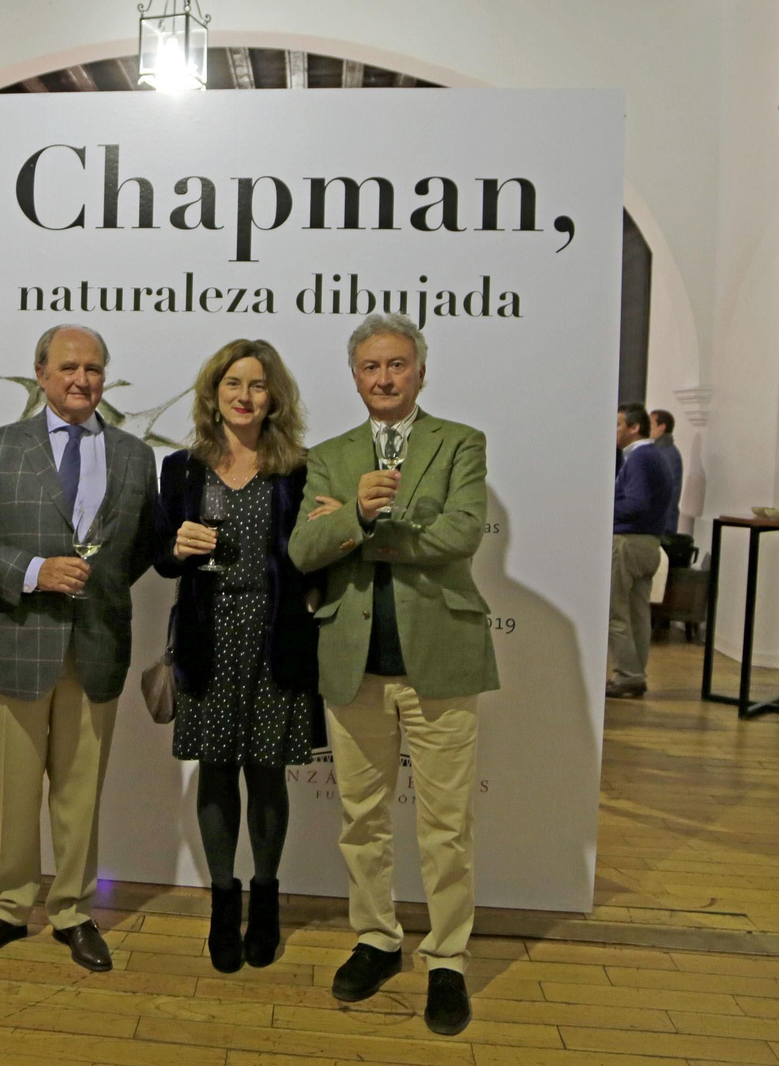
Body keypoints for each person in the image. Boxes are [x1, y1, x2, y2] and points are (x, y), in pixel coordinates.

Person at [286, 312, 499, 1037]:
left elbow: (461, 533)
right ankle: (377, 939)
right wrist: (349, 513)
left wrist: (367, 528)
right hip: (354, 663)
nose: (384, 378)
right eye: (371, 367)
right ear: (355, 376)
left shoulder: (460, 443)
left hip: (440, 658)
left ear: (420, 371)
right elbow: (305, 549)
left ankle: (447, 960)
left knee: (446, 825)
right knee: (361, 819)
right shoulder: (332, 453)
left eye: (397, 365)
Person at [0, 323, 158, 973]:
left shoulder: (132, 455)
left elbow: (142, 546)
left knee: (79, 790)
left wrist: (99, 588)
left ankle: (72, 910)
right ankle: (8, 908)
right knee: (11, 791)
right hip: (17, 642)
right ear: (40, 374)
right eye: (68, 367)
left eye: (93, 369)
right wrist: (35, 571)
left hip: (96, 645)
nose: (81, 380)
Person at [153, 339, 322, 973]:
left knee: (268, 772)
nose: (244, 396)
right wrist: (177, 545)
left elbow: (316, 554)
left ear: (273, 396)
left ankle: (268, 902)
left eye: (256, 385)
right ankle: (224, 905)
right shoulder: (182, 468)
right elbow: (160, 555)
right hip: (208, 634)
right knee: (217, 771)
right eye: (232, 384)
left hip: (275, 635)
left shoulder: (301, 468)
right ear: (213, 394)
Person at [609, 402, 675, 698]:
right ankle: (635, 674)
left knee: (616, 612)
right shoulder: (656, 456)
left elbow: (636, 504)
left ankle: (628, 675)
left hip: (629, 543)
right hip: (650, 543)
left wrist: (603, 511)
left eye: (619, 425)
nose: (615, 431)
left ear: (635, 428)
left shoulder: (638, 458)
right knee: (637, 613)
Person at [649, 409, 683, 536]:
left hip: (661, 523)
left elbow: (665, 491)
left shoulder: (668, 454)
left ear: (662, 427)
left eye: (650, 424)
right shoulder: (659, 451)